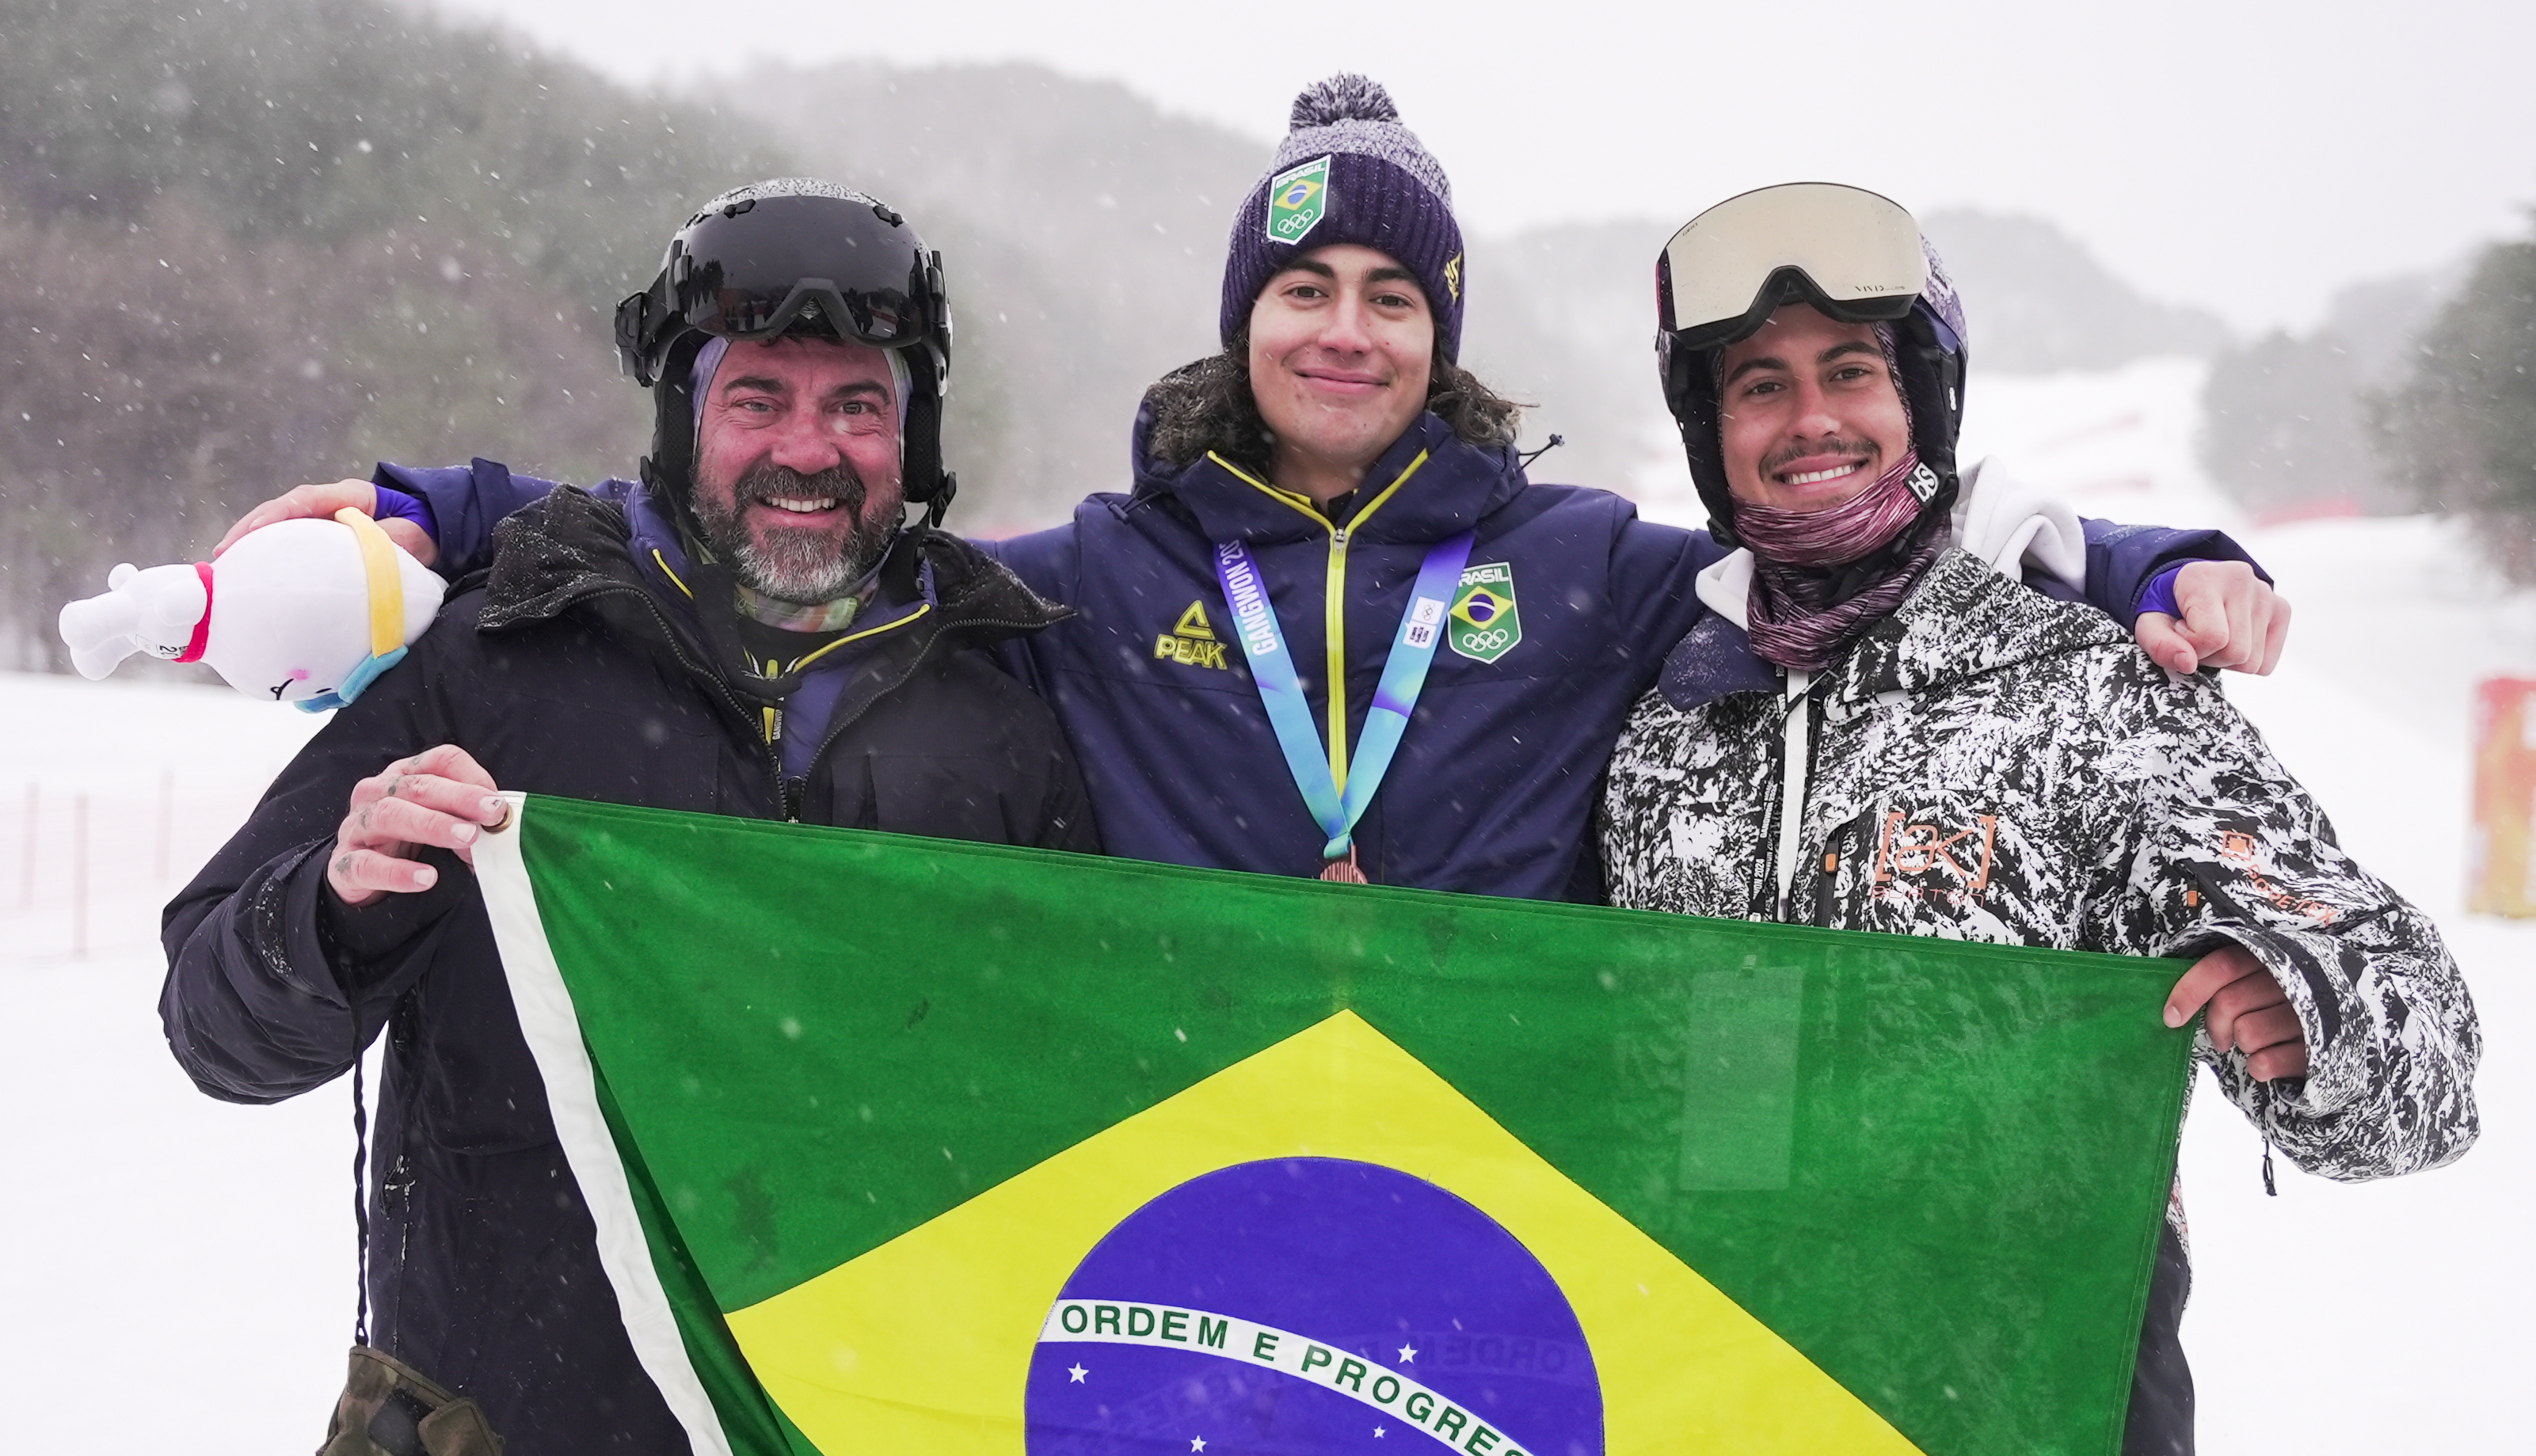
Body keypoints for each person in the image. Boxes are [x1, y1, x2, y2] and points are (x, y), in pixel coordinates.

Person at [227, 75, 2288, 905]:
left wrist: (2138, 559)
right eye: (1303, 287)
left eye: (1392, 295)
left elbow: (1840, 561)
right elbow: (805, 539)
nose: (1344, 329)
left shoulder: (1577, 564)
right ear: (1245, 319)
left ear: (1439, 336)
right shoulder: (1106, 569)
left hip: (1504, 1167)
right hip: (1202, 1152)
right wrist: (451, 508)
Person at [159, 179, 1093, 1456]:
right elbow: (216, 1021)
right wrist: (333, 900)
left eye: (858, 405)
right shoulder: (497, 652)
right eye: (758, 400)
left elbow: (1096, 1102)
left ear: (915, 434)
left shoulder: (1001, 707)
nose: (809, 449)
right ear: (680, 418)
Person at [1597, 182, 2481, 1456]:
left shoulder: (2081, 684)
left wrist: (2306, 1009)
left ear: (1922, 401)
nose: (1811, 419)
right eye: (1759, 385)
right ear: (1709, 434)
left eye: (1850, 371)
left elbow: (2424, 1063)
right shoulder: (1670, 730)